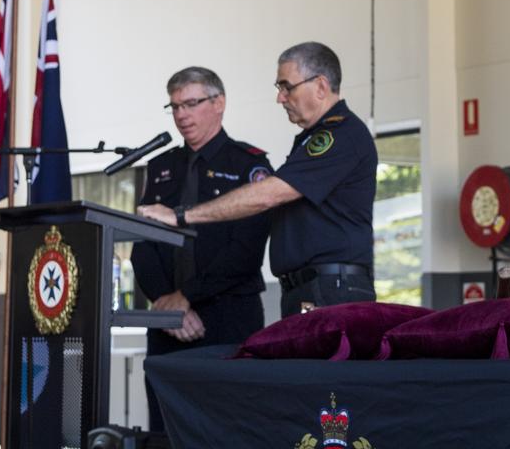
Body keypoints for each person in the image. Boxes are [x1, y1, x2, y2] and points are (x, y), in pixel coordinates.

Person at [140, 42, 377, 317]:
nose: (281, 98)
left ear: (321, 86)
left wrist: (181, 216)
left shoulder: (340, 134)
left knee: (320, 361)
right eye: (279, 89)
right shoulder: (313, 138)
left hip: (330, 288)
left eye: (287, 87)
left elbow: (269, 195)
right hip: (309, 288)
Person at [131, 66, 272, 432]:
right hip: (166, 323)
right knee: (166, 430)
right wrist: (167, 302)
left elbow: (247, 250)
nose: (181, 115)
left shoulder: (249, 164)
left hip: (227, 317)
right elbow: (143, 245)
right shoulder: (161, 166)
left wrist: (185, 297)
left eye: (191, 104)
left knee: (226, 427)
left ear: (219, 103)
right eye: (174, 106)